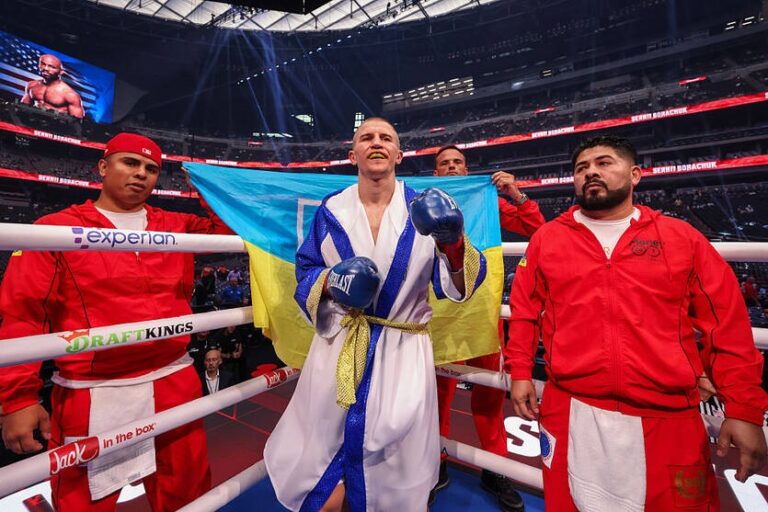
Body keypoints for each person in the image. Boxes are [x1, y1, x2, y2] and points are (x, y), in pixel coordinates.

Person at [506, 135, 767, 511]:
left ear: (635, 175)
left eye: (604, 163)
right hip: (570, 406)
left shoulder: (681, 238)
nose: (591, 172)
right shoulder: (547, 239)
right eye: (581, 168)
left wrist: (743, 409)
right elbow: (525, 311)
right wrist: (519, 371)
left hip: (665, 416)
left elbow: (726, 324)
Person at [264, 117, 488, 511]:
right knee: (322, 476)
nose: (377, 142)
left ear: (399, 154)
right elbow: (306, 270)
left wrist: (453, 243)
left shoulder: (425, 208)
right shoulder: (332, 208)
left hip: (403, 355)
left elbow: (459, 287)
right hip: (338, 351)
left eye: (386, 137)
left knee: (396, 477)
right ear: (353, 155)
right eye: (366, 137)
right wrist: (332, 282)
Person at [0, 132, 233, 511]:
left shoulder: (177, 224)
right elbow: (23, 314)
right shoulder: (54, 227)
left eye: (151, 168)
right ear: (103, 167)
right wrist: (18, 398)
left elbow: (235, 228)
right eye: (130, 162)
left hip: (174, 379)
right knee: (83, 503)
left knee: (187, 495)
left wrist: (208, 185)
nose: (141, 173)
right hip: (92, 389)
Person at [431, 145, 545, 510]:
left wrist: (516, 194)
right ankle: (436, 461)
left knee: (490, 399)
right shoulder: (419, 205)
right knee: (437, 398)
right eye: (445, 164)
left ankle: (495, 470)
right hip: (438, 317)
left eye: (457, 163)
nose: (452, 167)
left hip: (482, 316)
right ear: (435, 174)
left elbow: (538, 230)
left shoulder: (486, 202)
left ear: (466, 171)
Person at [21, 54, 84, 119]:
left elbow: (77, 121)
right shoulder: (32, 85)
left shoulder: (70, 94)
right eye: (43, 64)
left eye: (52, 67)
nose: (46, 68)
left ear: (61, 72)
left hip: (55, 124)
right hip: (32, 121)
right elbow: (23, 108)